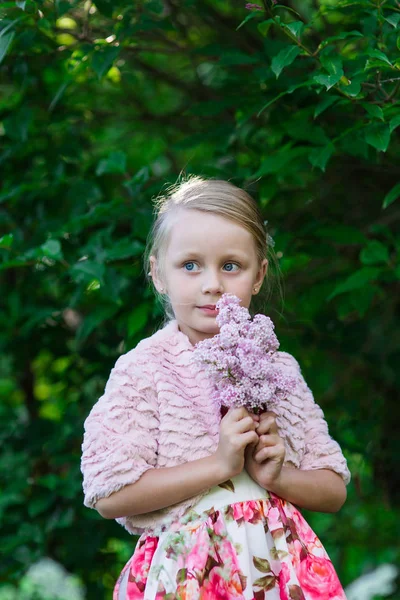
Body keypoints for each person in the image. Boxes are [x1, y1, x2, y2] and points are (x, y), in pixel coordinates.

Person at [81, 176, 351, 600]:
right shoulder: (143, 370)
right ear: (158, 273)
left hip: (277, 569)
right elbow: (109, 493)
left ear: (258, 275)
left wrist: (278, 475)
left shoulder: (277, 369)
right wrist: (220, 464)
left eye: (230, 266)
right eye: (190, 265)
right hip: (189, 571)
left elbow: (333, 491)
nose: (212, 284)